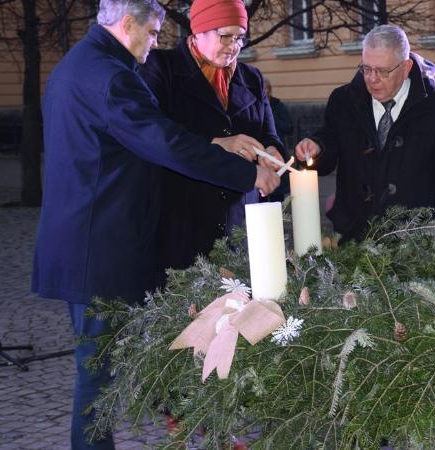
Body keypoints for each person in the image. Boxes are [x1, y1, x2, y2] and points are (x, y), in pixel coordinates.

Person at [31, 0, 280, 448]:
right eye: (150, 34)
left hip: (92, 239)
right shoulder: (110, 76)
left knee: (103, 371)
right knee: (98, 378)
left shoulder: (80, 64)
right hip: (98, 247)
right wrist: (247, 173)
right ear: (128, 24)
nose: (152, 46)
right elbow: (165, 143)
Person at [138, 0, 284, 286]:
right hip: (184, 220)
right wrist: (215, 142)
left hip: (241, 222)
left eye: (240, 37)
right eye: (225, 36)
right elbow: (158, 137)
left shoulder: (251, 78)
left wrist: (271, 150)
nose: (234, 46)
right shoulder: (161, 69)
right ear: (199, 30)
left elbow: (270, 134)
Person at [294, 25, 435, 240]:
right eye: (366, 68)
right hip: (354, 237)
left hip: (414, 244)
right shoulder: (344, 100)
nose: (372, 79)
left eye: (383, 71)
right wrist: (316, 147)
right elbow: (329, 146)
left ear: (406, 68)